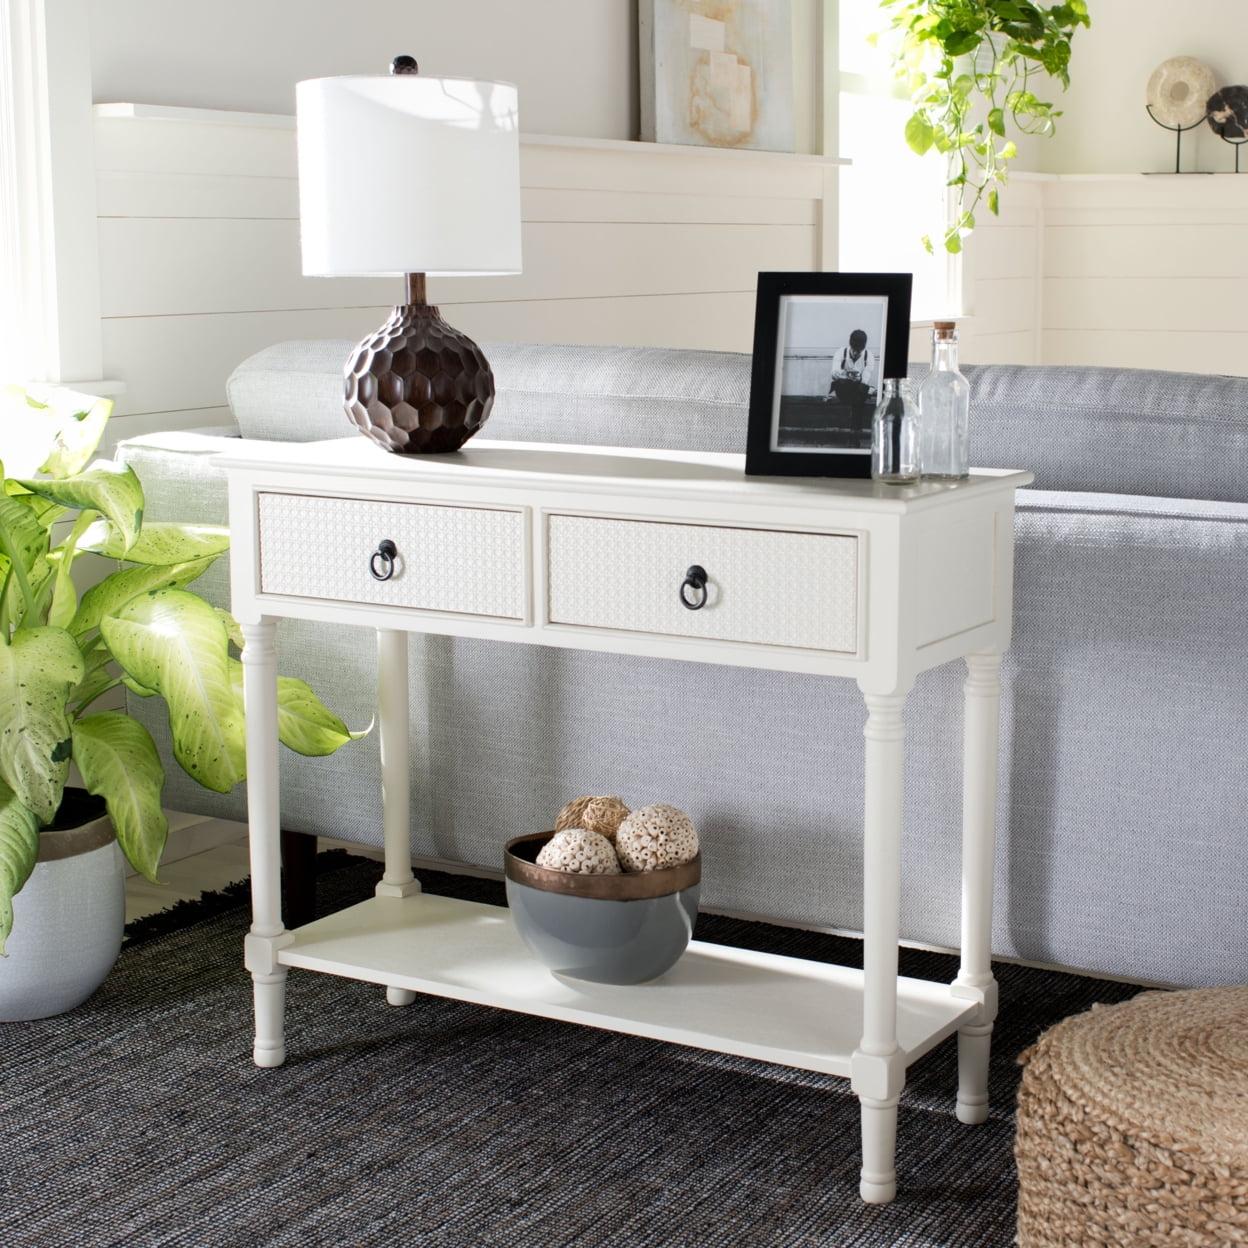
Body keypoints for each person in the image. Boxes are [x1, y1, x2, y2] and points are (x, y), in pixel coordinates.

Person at [826, 329, 877, 404]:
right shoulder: (840, 352)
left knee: (861, 388)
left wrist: (858, 379)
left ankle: (870, 391)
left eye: (858, 351)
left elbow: (865, 380)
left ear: (863, 347)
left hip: (859, 392)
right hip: (843, 389)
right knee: (842, 385)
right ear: (850, 345)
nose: (855, 353)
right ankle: (871, 391)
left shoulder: (869, 356)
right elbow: (834, 372)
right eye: (853, 349)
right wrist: (839, 374)